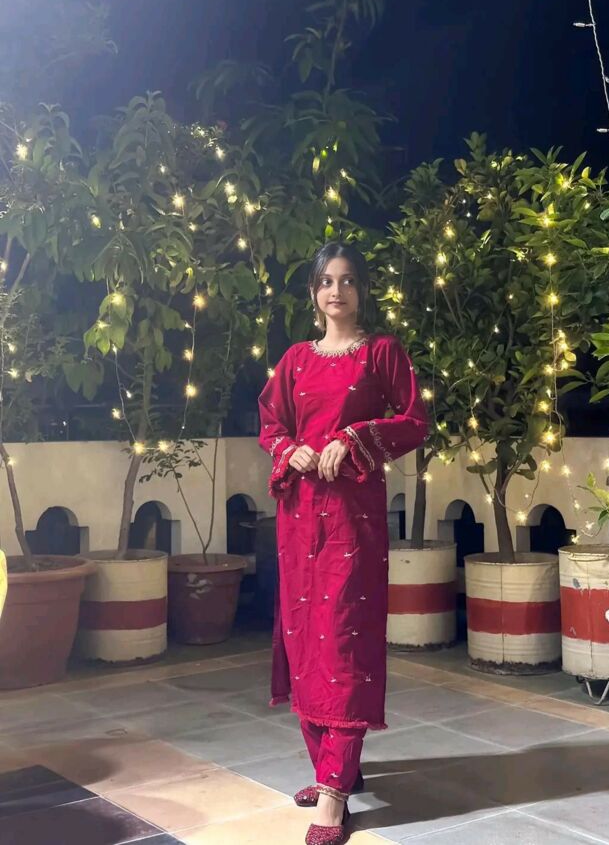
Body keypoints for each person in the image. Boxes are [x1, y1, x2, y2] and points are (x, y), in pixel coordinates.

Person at [258, 242, 429, 845]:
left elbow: (413, 420)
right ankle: (333, 769)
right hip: (299, 517)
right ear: (314, 292)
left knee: (345, 640)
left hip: (353, 518)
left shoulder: (382, 353)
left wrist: (352, 438)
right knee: (305, 636)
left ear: (362, 290)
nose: (338, 291)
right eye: (327, 281)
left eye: (348, 280)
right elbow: (271, 424)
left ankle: (333, 794)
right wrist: (291, 450)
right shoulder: (295, 360)